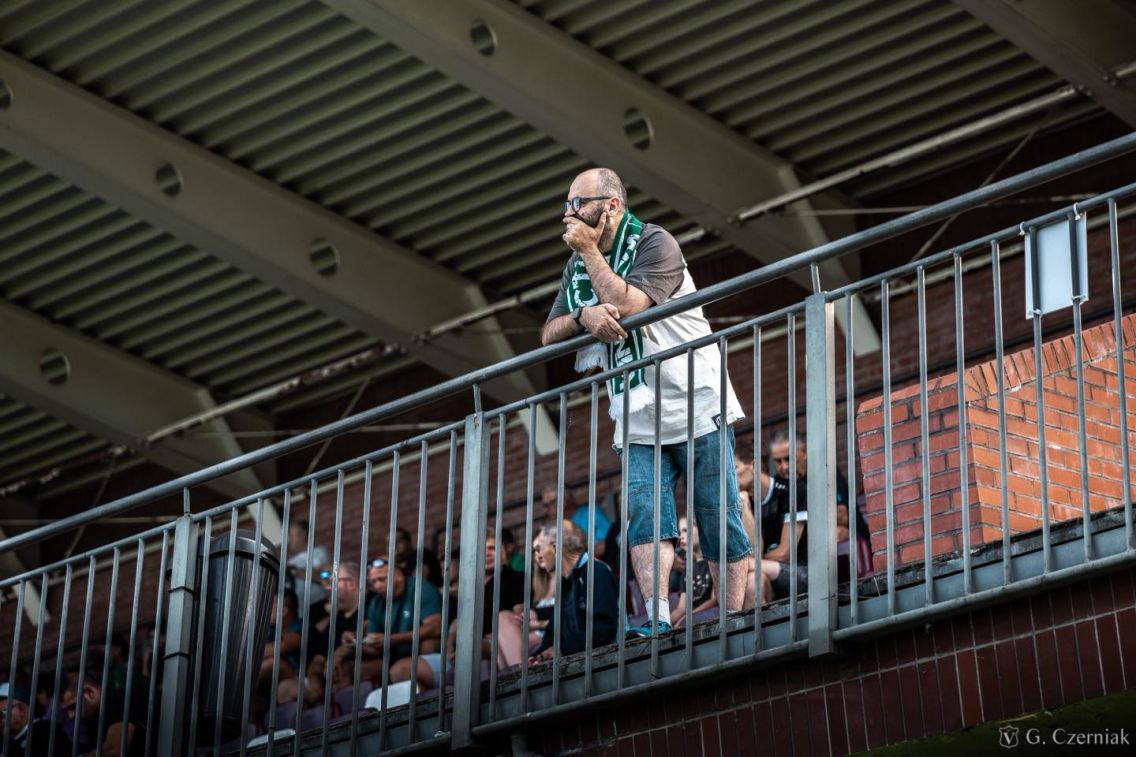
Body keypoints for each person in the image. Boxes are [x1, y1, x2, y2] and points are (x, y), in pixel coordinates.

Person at [541, 167, 750, 635]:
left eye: (578, 203)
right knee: (645, 517)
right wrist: (582, 315)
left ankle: (733, 619)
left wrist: (590, 252)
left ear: (611, 206)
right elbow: (548, 332)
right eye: (567, 204)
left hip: (696, 402)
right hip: (636, 415)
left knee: (717, 513)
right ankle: (656, 617)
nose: (568, 214)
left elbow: (630, 304)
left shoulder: (656, 243)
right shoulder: (576, 268)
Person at [388, 529, 526, 690]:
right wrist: (450, 643)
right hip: (461, 648)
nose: (487, 553)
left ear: (503, 553)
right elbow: (457, 623)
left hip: (492, 643)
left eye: (492, 548)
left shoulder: (515, 578)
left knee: (467, 648)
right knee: (400, 670)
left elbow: (518, 616)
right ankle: (440, 703)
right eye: (482, 549)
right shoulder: (470, 589)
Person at [757, 430, 870, 600]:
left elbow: (843, 516)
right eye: (778, 461)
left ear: (804, 451)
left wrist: (803, 512)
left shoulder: (823, 470)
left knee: (835, 532)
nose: (784, 467)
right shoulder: (779, 485)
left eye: (788, 458)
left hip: (850, 547)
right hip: (797, 561)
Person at [337, 556, 442, 683]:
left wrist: (392, 639)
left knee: (429, 644)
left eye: (381, 579)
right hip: (392, 657)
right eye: (373, 582)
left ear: (398, 574)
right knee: (355, 670)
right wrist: (355, 642)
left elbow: (435, 627)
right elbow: (374, 648)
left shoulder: (420, 589)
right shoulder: (376, 603)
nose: (377, 586)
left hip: (421, 653)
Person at [530, 520, 618, 662]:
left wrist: (562, 649)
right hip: (580, 662)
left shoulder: (596, 571)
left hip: (607, 660)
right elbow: (553, 633)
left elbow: (603, 629)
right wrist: (538, 657)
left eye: (539, 549)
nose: (537, 556)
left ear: (555, 547)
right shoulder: (566, 582)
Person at [495, 525, 557, 668]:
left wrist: (538, 622)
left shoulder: (570, 578)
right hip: (532, 633)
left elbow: (571, 614)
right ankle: (518, 674)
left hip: (553, 632)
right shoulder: (534, 585)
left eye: (542, 548)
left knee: (500, 636)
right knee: (501, 623)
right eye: (535, 550)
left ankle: (520, 675)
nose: (538, 554)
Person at [61, 655, 147, 757]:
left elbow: (114, 749)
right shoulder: (93, 720)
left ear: (90, 692)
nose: (70, 715)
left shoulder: (116, 701)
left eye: (73, 707)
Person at [0, 680, 70, 757]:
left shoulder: (46, 732)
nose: (0, 717)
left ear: (22, 709)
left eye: (3, 711)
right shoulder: (6, 740)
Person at [669, 516, 716, 626]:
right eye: (679, 532)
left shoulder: (714, 561)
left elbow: (715, 599)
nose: (680, 537)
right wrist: (660, 628)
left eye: (685, 530)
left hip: (707, 620)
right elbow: (681, 609)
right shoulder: (688, 569)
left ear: (701, 530)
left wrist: (687, 618)